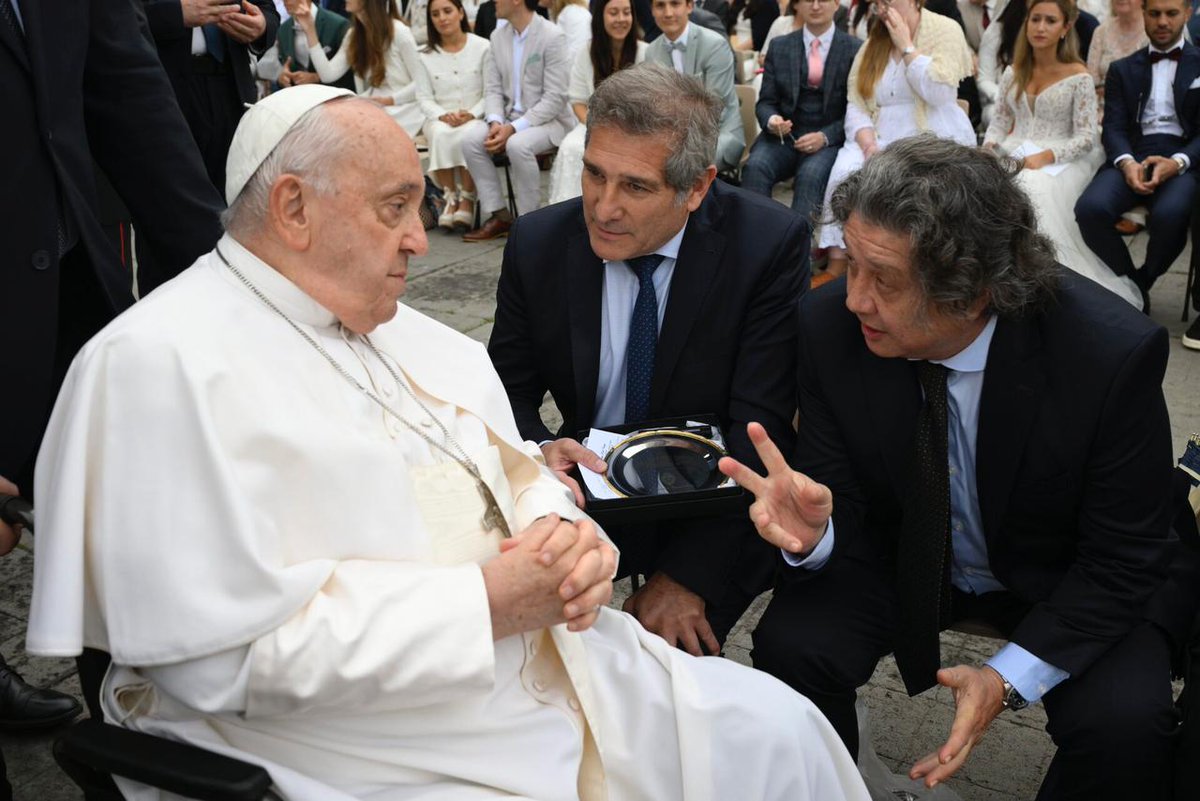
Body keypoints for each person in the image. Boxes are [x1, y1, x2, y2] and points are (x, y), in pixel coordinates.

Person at [26, 84, 869, 801]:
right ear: (293, 208)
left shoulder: (396, 327)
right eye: (395, 207)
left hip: (542, 658)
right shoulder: (154, 368)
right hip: (359, 733)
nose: (420, 240)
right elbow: (213, 661)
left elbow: (505, 461)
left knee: (784, 730)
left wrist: (563, 534)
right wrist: (484, 606)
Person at [719, 134, 1196, 800]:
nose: (854, 298)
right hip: (903, 552)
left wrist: (1005, 677)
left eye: (884, 278)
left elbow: (1124, 557)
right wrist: (819, 531)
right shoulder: (829, 325)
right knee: (791, 645)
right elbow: (842, 495)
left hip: (1069, 576)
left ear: (974, 293)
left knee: (1125, 725)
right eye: (851, 263)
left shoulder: (1108, 355)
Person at [488, 64, 808, 654]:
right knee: (514, 632)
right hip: (582, 481)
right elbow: (503, 390)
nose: (603, 208)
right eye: (594, 174)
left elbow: (759, 425)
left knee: (674, 655)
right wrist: (538, 453)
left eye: (635, 187)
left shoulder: (766, 245)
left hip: (714, 501)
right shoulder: (539, 242)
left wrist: (689, 577)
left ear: (698, 188)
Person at [2, 0, 224, 791]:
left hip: (70, 293)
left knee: (113, 534)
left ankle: (125, 742)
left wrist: (236, 288)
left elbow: (129, 96)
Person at [983, 0, 1142, 307]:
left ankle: (1039, 284)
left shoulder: (1078, 76)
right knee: (983, 184)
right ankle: (995, 278)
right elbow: (1000, 122)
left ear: (1065, 28)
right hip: (1015, 149)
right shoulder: (1013, 72)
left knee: (1033, 188)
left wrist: (1046, 156)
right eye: (1035, 19)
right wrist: (989, 148)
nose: (1040, 28)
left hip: (1061, 157)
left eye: (1050, 21)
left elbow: (1086, 137)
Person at [817, 0, 975, 276]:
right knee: (845, 171)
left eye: (889, 1)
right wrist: (868, 145)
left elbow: (940, 94)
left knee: (910, 185)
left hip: (927, 132)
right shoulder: (873, 42)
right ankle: (840, 259)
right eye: (878, 3)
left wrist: (907, 47)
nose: (883, 9)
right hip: (876, 134)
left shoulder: (945, 29)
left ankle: (904, 265)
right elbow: (857, 102)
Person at [1074, 0, 1199, 315]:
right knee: (1090, 209)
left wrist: (1178, 162)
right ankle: (1130, 283)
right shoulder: (1122, 68)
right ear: (1143, 14)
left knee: (1171, 215)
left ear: (1188, 14)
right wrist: (1127, 162)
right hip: (1133, 155)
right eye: (1154, 13)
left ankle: (1143, 281)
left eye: (1171, 13)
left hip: (1183, 159)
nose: (1162, 21)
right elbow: (1113, 127)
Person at [461, 0, 577, 239]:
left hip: (551, 121)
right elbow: (492, 89)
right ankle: (500, 215)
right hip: (508, 118)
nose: (494, 2)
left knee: (517, 144)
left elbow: (555, 98)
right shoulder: (497, 37)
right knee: (470, 139)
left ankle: (528, 223)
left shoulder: (553, 36)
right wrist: (495, 122)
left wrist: (513, 128)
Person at [142, 0, 281, 192]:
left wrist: (262, 26)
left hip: (231, 88)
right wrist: (176, 13)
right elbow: (117, 18)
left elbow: (267, 11)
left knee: (234, 193)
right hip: (164, 92)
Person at [741, 0, 861, 221]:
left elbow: (857, 110)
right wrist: (772, 120)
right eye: (808, 0)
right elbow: (766, 102)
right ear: (796, 5)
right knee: (755, 166)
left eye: (822, 0)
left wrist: (824, 137)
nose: (815, 6)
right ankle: (755, 236)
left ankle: (798, 242)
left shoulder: (855, 49)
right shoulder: (780, 46)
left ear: (836, 4)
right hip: (783, 137)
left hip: (827, 139)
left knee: (810, 176)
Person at [547, 0, 648, 203]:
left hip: (636, 127)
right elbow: (577, 102)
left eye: (626, 12)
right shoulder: (587, 52)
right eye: (613, 13)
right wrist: (597, 126)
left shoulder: (646, 52)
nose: (621, 19)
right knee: (571, 147)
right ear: (600, 17)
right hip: (593, 124)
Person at [297, 0, 427, 136]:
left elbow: (421, 83)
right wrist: (310, 30)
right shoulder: (353, 35)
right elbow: (327, 75)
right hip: (374, 106)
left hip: (404, 109)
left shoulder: (399, 31)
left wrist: (390, 100)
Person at [644, 0, 746, 172]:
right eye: (660, 5)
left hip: (718, 134)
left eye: (675, 4)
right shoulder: (651, 52)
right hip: (672, 138)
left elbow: (716, 107)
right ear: (652, 11)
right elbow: (656, 107)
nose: (668, 13)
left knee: (680, 168)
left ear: (690, 6)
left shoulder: (715, 44)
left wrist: (679, 145)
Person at [416, 0, 491, 228]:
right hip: (440, 118)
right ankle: (450, 196)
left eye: (447, 11)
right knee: (440, 133)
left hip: (475, 115)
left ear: (460, 13)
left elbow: (491, 92)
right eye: (435, 14)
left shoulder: (483, 47)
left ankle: (467, 197)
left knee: (469, 135)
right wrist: (442, 115)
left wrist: (473, 113)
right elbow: (424, 98)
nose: (442, 18)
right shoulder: (424, 55)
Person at [257, 0, 355, 91]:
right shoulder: (283, 30)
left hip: (335, 95)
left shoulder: (339, 24)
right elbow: (281, 63)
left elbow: (349, 71)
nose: (285, 1)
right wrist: (282, 77)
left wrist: (317, 77)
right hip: (300, 97)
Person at [1085, 0, 1147, 110]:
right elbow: (1091, 81)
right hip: (1103, 108)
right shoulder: (1101, 31)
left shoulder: (1152, 31)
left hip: (1141, 108)